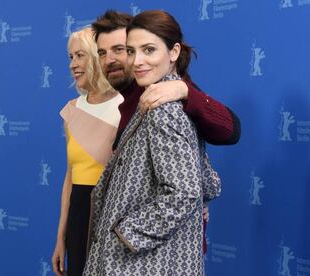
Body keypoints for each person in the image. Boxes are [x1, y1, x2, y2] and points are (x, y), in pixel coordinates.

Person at [83, 10, 221, 275]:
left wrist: (127, 234)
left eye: (148, 50)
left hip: (143, 264)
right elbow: (206, 181)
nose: (137, 61)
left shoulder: (163, 107)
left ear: (173, 52)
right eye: (132, 51)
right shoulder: (155, 100)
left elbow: (184, 193)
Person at [91, 10, 241, 150]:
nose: (109, 60)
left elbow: (230, 131)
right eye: (102, 53)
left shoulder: (166, 93)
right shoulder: (129, 97)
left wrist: (185, 91)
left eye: (119, 49)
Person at [51, 27, 123, 276]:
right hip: (78, 216)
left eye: (80, 55)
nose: (73, 64)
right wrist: (62, 237)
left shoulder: (125, 106)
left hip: (113, 215)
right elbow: (70, 178)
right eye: (71, 57)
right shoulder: (71, 110)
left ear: (96, 56)